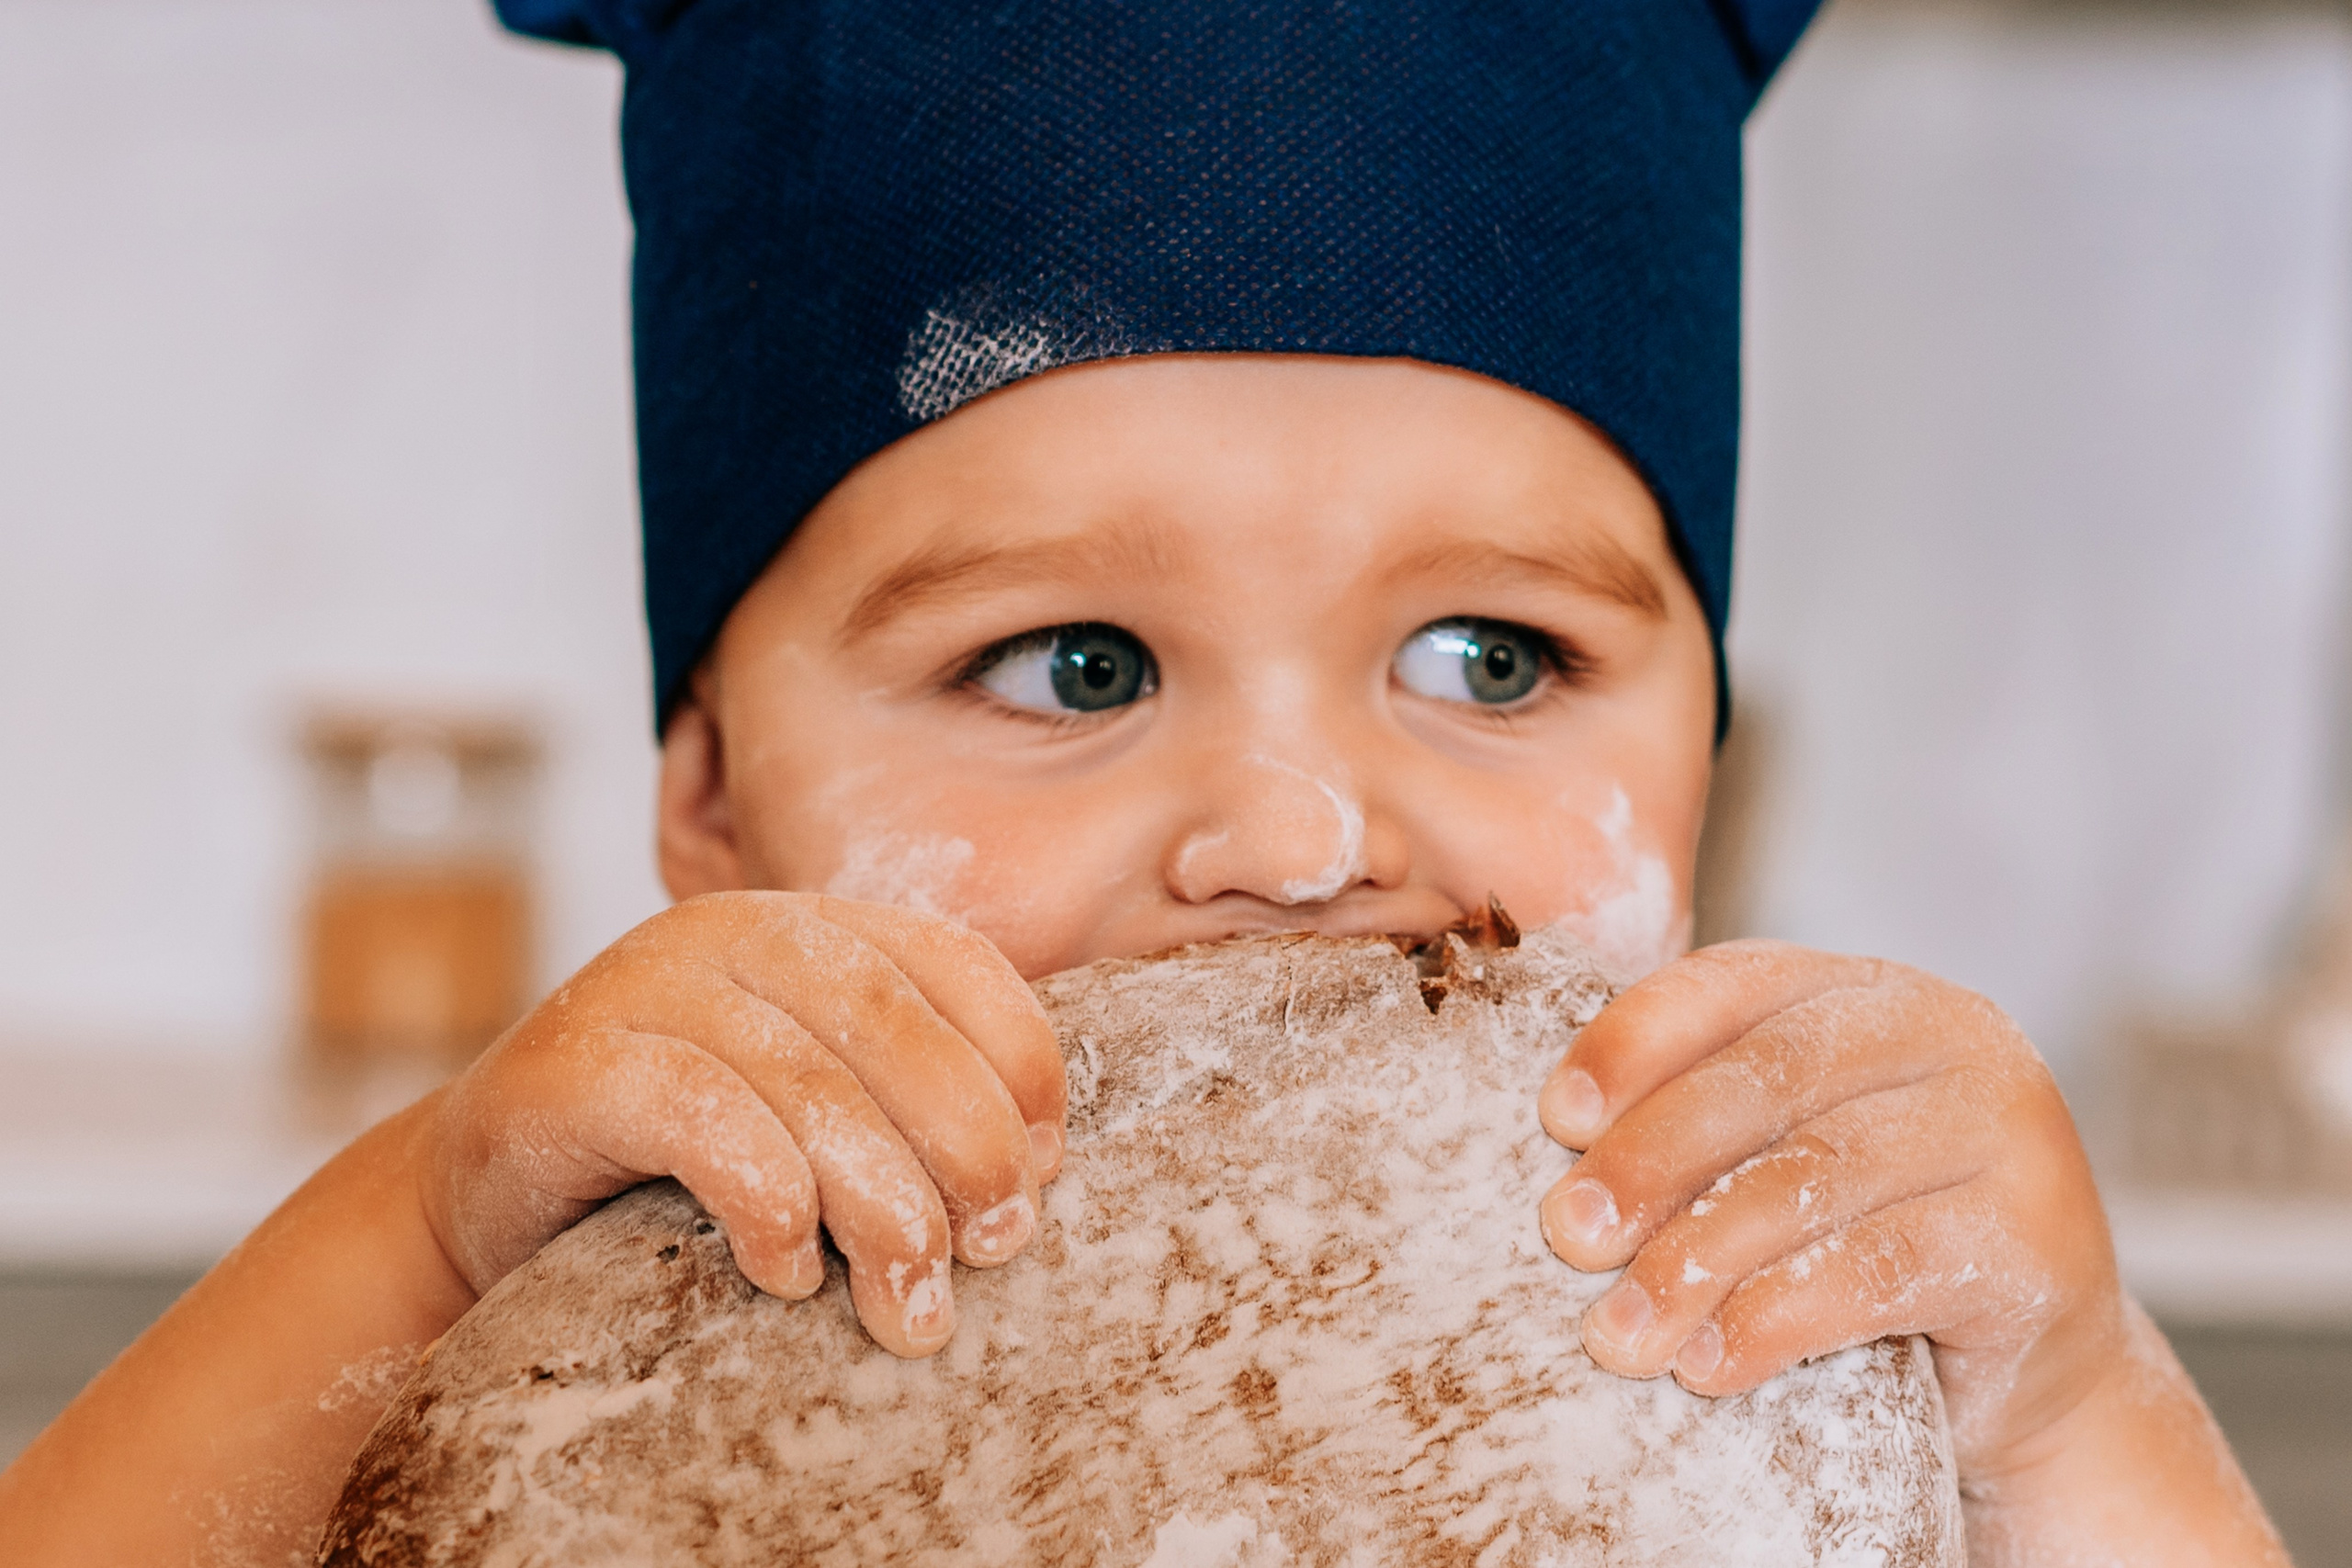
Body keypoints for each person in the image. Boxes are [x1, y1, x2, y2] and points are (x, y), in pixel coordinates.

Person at [0, 2, 2288, 1562]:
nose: (1296, 837)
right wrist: (420, 1230)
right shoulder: (616, 1319)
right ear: (708, 799)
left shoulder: (1770, 1302)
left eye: (1492, 655)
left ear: (1707, 736)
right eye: (1073, 660)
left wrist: (2065, 1408)